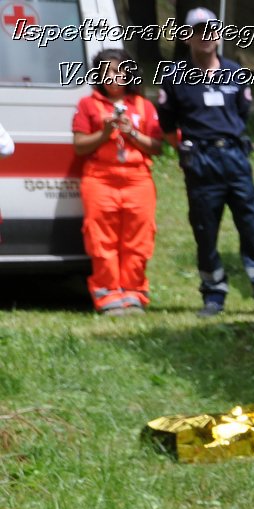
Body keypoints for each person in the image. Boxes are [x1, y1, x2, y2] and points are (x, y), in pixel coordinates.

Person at [155, 7, 254, 317]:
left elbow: (242, 114)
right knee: (205, 229)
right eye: (198, 30)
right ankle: (213, 293)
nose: (206, 36)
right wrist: (190, 152)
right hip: (202, 161)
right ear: (187, 37)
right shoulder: (173, 77)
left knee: (252, 225)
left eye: (211, 29)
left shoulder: (235, 72)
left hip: (235, 159)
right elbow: (167, 125)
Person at [71, 48, 162, 316]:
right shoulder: (88, 105)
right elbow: (79, 146)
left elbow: (157, 146)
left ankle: (134, 294)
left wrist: (131, 133)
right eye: (107, 71)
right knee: (102, 240)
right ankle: (108, 295)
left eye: (119, 70)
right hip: (100, 180)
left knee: (139, 239)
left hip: (138, 181)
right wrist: (105, 132)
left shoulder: (144, 106)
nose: (114, 76)